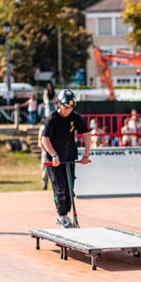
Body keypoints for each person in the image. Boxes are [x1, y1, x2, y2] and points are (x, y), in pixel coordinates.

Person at [40, 90, 93, 229]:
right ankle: (62, 217)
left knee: (70, 187)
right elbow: (44, 139)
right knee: (60, 186)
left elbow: (87, 135)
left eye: (71, 107)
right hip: (55, 159)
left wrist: (86, 155)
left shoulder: (75, 117)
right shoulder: (52, 118)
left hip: (69, 156)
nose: (68, 110)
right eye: (66, 106)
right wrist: (54, 155)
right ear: (59, 104)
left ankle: (68, 216)